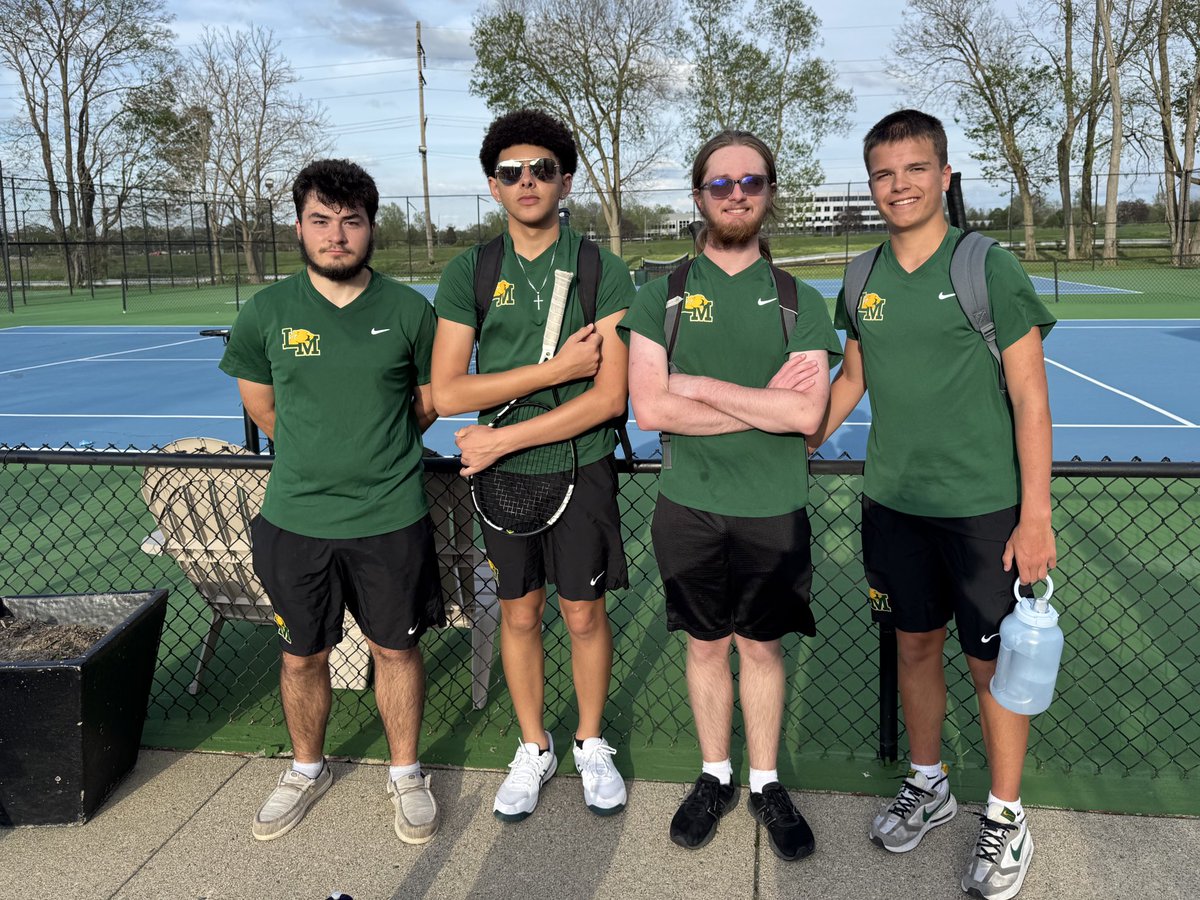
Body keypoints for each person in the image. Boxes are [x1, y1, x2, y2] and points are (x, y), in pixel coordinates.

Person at [807, 109, 1057, 900]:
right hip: (892, 505)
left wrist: (1037, 512)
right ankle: (930, 784)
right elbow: (852, 379)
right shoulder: (861, 278)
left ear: (945, 175)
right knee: (914, 649)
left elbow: (1030, 395)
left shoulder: (988, 266)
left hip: (985, 511)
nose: (899, 185)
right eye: (884, 173)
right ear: (871, 185)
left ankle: (1007, 817)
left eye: (915, 168)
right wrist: (796, 435)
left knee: (992, 667)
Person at [620, 130, 841, 860]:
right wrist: (757, 402)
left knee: (763, 650)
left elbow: (806, 415)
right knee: (708, 648)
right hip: (689, 507)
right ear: (699, 196)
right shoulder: (663, 298)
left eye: (751, 181)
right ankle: (716, 775)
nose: (737, 193)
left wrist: (699, 386)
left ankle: (766, 783)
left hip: (773, 509)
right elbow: (650, 409)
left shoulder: (798, 301)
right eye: (721, 183)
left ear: (769, 193)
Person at [219, 159, 442, 845]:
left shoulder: (409, 311)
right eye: (321, 219)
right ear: (299, 227)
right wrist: (321, 452)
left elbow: (430, 402)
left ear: (371, 228)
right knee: (300, 658)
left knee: (396, 653)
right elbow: (260, 403)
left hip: (390, 520)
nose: (336, 234)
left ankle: (407, 773)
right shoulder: (266, 313)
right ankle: (306, 768)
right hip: (296, 522)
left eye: (351, 220)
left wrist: (370, 448)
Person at [431, 109, 633, 822]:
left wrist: (502, 435)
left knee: (583, 613)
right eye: (511, 171)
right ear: (493, 186)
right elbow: (450, 390)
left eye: (542, 169)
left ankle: (589, 741)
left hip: (582, 467)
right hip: (504, 479)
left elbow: (610, 396)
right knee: (518, 613)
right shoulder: (472, 269)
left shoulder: (600, 267)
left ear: (565, 179)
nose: (527, 181)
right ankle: (533, 746)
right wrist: (555, 369)